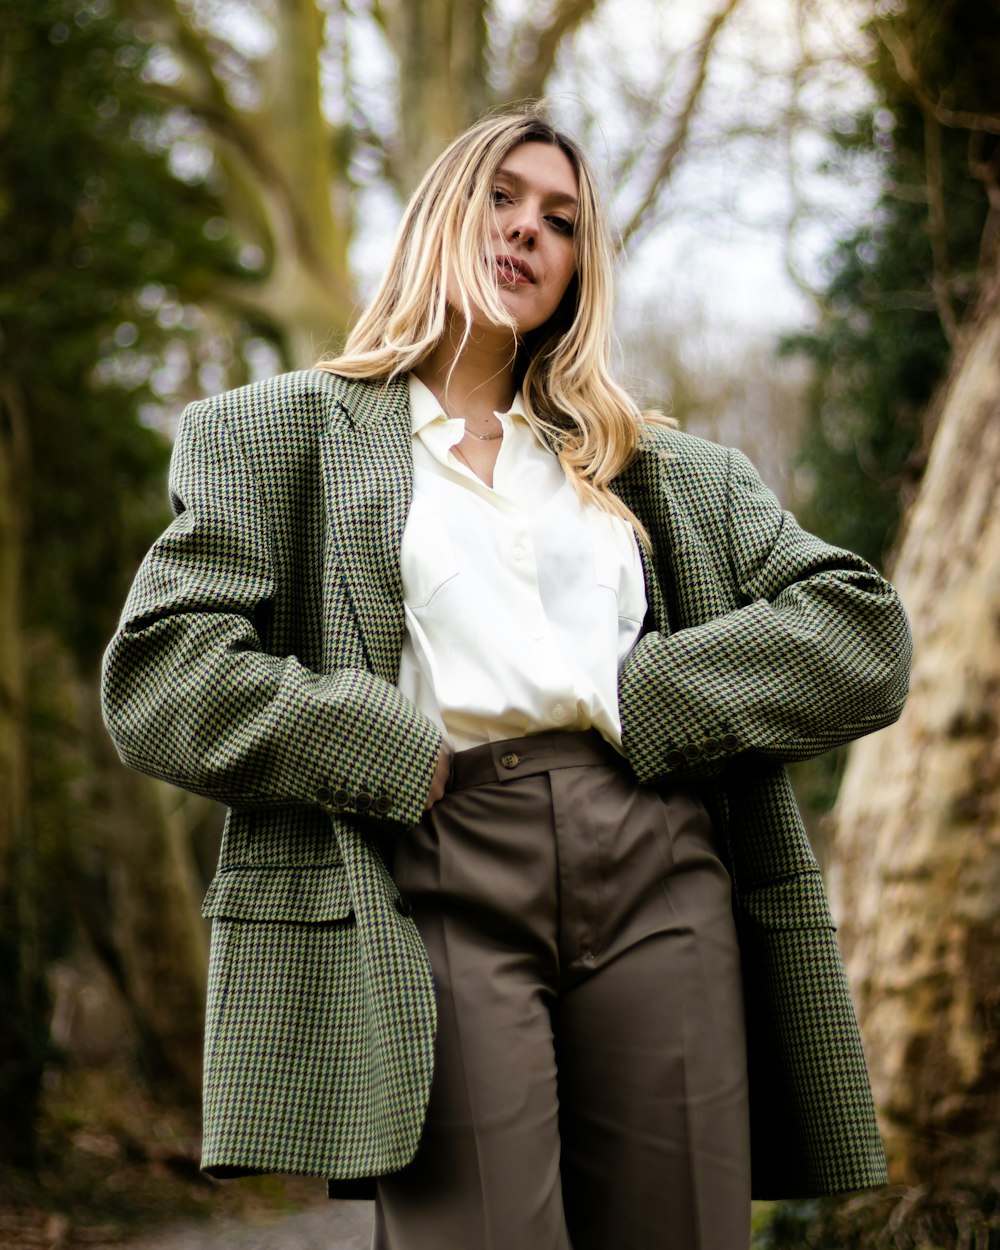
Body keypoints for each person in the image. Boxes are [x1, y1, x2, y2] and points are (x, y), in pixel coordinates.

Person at [101, 110, 912, 1250]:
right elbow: (161, 670)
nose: (527, 229)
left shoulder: (657, 466)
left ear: (581, 269)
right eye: (502, 197)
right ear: (442, 211)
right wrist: (370, 742)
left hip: (657, 864)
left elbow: (860, 631)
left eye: (561, 220)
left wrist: (653, 697)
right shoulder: (273, 435)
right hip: (439, 869)